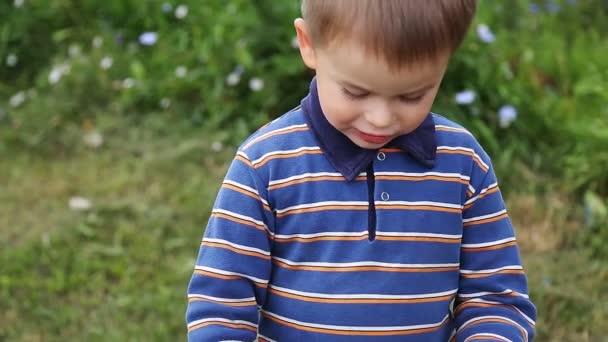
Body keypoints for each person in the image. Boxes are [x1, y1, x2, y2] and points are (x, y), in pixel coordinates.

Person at [186, 1, 537, 340]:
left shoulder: (464, 165)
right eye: (355, 91)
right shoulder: (265, 165)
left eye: (411, 96)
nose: (380, 119)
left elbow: (495, 298)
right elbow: (222, 304)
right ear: (309, 46)